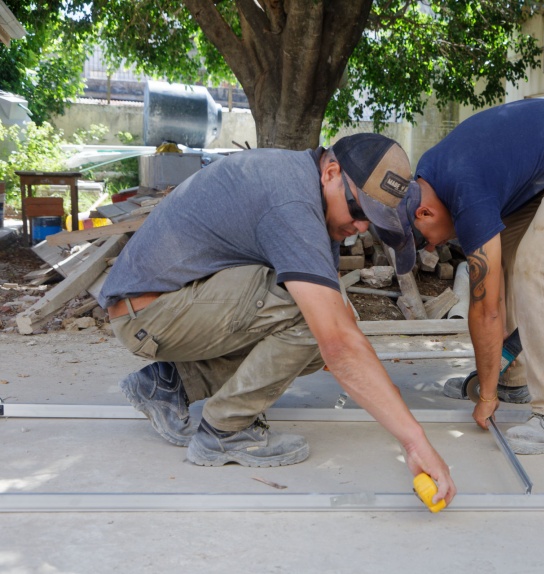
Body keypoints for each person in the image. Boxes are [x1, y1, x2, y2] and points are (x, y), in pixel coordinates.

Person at [98, 134, 455, 505]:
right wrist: (414, 441)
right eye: (360, 211)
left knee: (328, 320)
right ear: (331, 172)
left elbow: (335, 335)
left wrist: (343, 361)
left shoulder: (305, 184)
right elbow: (337, 340)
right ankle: (224, 431)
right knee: (315, 317)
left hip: (166, 306)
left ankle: (171, 385)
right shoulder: (292, 201)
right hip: (151, 314)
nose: (362, 227)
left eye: (372, 220)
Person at [383, 99, 544, 455]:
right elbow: (488, 294)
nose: (433, 248)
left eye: (426, 241)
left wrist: (484, 396)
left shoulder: (464, 190)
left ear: (424, 212)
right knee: (501, 262)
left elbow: (485, 309)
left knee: (536, 268)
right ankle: (514, 379)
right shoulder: (431, 175)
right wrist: (491, 385)